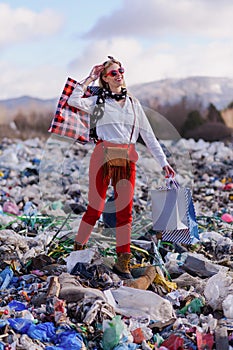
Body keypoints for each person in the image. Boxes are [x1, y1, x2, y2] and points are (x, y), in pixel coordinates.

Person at [67, 56, 175, 279]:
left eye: (121, 71)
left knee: (124, 211)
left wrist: (164, 163)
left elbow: (149, 137)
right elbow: (73, 100)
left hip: (127, 159)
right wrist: (90, 77)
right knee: (95, 208)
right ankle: (77, 250)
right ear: (105, 79)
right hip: (103, 157)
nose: (119, 75)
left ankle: (122, 262)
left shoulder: (134, 104)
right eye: (114, 73)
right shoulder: (98, 102)